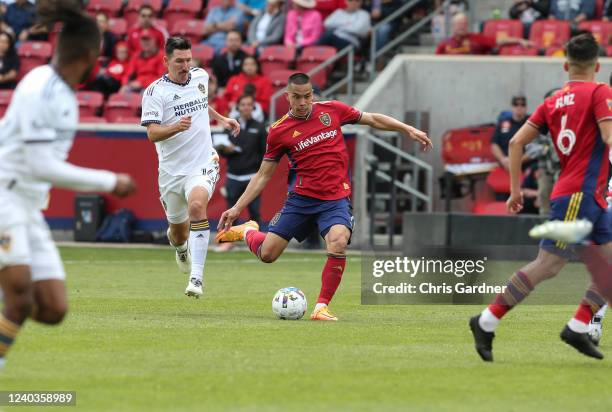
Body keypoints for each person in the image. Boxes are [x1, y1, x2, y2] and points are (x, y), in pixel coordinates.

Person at [215, 72, 432, 321]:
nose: (303, 102)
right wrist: (236, 208)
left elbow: (371, 119)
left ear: (312, 94)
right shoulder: (278, 131)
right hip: (301, 200)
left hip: (335, 199)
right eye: (296, 97)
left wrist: (407, 128)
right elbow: (263, 175)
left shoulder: (332, 110)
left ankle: (321, 307)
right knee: (268, 255)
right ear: (287, 97)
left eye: (307, 96)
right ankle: (247, 231)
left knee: (338, 241)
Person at [0, 0, 136, 369]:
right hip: (4, 197)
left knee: (53, 306)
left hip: (27, 205)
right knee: (18, 296)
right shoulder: (40, 88)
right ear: (91, 55)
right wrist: (110, 180)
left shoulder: (61, 91)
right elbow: (42, 164)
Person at [469, 33, 612, 362]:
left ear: (565, 65)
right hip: (581, 194)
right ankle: (486, 320)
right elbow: (608, 135)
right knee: (548, 265)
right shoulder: (600, 92)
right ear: (598, 65)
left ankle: (577, 327)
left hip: (582, 193)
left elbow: (515, 143)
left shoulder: (552, 101)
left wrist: (516, 190)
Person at [140, 36, 240, 298]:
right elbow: (152, 133)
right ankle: (181, 248)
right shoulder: (154, 93)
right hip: (172, 172)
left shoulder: (200, 77)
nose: (185, 66)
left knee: (197, 206)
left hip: (203, 161)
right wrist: (175, 127)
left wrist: (222, 118)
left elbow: (201, 102)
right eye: (179, 61)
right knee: (177, 233)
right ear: (166, 61)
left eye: (188, 60)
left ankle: (197, 278)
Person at [216, 94, 267, 252]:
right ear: (238, 107)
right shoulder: (230, 125)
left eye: (249, 104)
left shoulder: (259, 127)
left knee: (254, 211)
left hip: (251, 176)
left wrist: (258, 171)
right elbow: (220, 148)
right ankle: (229, 241)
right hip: (233, 175)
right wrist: (226, 149)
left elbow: (265, 153)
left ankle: (257, 242)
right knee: (231, 210)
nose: (246, 107)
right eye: (243, 104)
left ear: (253, 107)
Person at [436, 13, 531, 55]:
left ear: (467, 25)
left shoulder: (476, 39)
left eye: (464, 23)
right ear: (453, 26)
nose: (461, 26)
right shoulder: (444, 44)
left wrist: (519, 41)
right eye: (459, 24)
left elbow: (500, 41)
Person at [491, 95, 530, 171]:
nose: (519, 107)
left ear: (526, 107)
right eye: (516, 104)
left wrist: (516, 161)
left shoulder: (531, 123)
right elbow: (494, 144)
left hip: (526, 166)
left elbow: (537, 148)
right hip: (505, 165)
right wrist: (502, 159)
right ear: (512, 107)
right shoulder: (503, 123)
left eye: (522, 104)